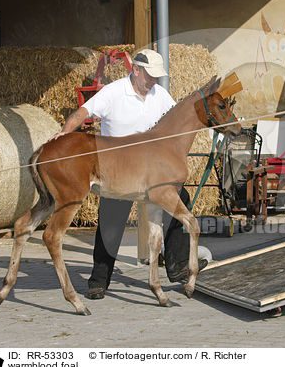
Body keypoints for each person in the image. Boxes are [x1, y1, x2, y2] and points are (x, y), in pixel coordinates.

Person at [52, 49, 209, 300]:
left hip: (153, 172)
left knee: (181, 201)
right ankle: (99, 281)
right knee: (110, 226)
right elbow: (83, 113)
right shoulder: (113, 92)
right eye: (150, 75)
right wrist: (65, 134)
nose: (154, 81)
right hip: (117, 170)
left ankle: (178, 267)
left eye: (157, 77)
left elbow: (177, 121)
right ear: (136, 70)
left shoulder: (160, 94)